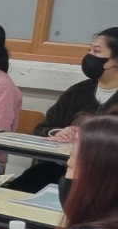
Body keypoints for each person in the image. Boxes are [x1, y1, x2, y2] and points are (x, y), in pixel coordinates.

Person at [9, 28, 118, 193]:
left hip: (105, 176)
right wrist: (58, 132)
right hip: (61, 167)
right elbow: (42, 128)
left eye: (97, 51)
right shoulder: (78, 91)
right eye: (89, 50)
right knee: (17, 190)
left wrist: (85, 136)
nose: (89, 56)